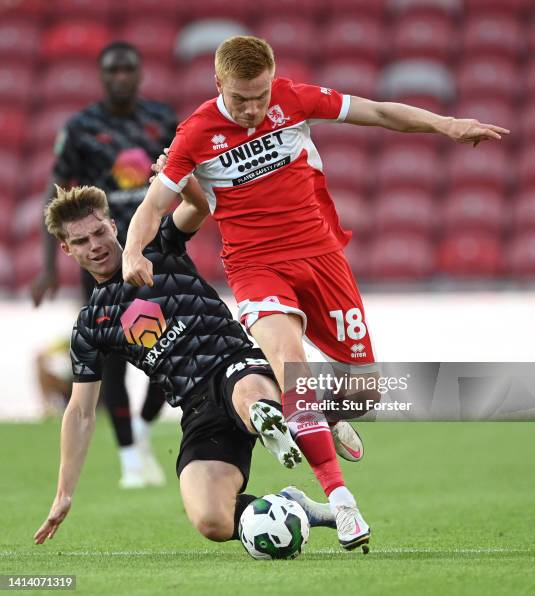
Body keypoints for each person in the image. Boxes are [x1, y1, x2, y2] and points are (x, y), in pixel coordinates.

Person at [122, 36, 510, 550]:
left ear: (272, 81)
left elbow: (377, 112)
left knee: (365, 392)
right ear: (218, 85)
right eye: (240, 98)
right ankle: (342, 505)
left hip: (321, 257)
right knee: (290, 363)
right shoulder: (196, 133)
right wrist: (132, 251)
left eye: (259, 95)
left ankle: (317, 418)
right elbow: (152, 207)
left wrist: (447, 125)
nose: (253, 108)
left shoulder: (294, 99)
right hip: (255, 266)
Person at [34, 184, 341, 547]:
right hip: (197, 409)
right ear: (67, 250)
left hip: (237, 365)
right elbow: (81, 413)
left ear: (114, 225)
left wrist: (181, 178)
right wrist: (63, 493)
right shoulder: (91, 324)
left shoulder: (157, 245)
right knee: (212, 520)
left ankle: (275, 417)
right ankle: (297, 505)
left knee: (250, 400)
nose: (96, 245)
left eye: (99, 232)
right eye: (82, 241)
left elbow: (198, 204)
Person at [31, 41, 182, 488]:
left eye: (127, 70)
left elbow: (185, 176)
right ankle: (131, 459)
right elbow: (54, 194)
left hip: (158, 249)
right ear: (102, 76)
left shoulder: (161, 120)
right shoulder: (81, 128)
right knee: (111, 353)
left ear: (139, 74)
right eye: (112, 70)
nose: (120, 77)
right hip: (102, 254)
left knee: (171, 346)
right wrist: (48, 265)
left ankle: (142, 427)